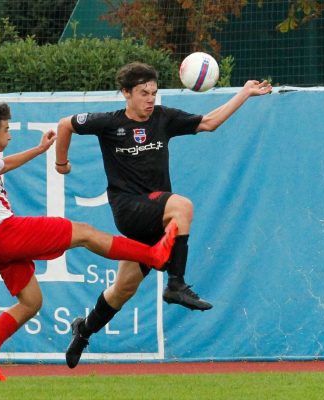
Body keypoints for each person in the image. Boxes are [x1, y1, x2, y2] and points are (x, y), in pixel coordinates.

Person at [0, 98, 180, 381]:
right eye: (6, 129)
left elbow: (4, 164)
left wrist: (41, 149)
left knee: (31, 302)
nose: (10, 134)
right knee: (84, 233)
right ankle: (153, 256)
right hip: (6, 233)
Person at [55, 62, 272, 369]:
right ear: (126, 93)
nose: (150, 99)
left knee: (122, 290)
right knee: (182, 206)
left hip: (155, 218)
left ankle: (83, 330)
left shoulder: (163, 117)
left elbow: (209, 122)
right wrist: (61, 164)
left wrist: (245, 93)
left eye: (154, 93)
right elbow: (65, 124)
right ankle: (176, 284)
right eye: (144, 93)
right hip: (129, 209)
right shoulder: (107, 122)